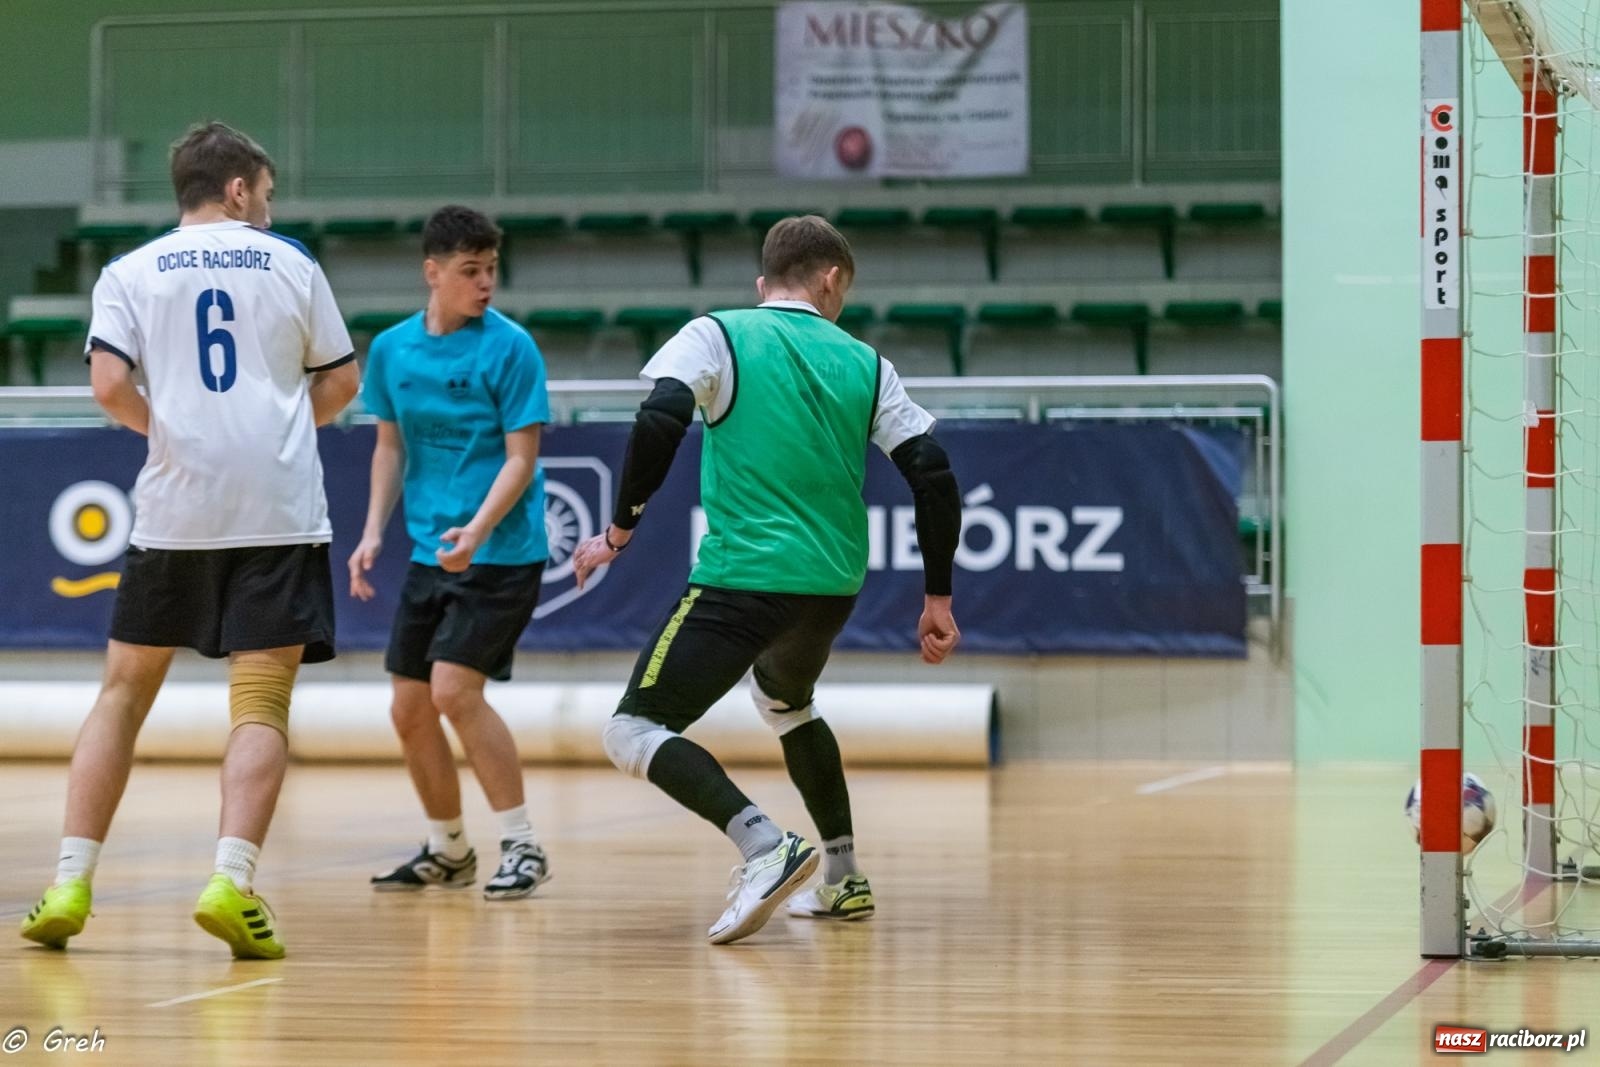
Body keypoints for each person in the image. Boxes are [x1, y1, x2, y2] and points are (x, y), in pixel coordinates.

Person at [571, 215, 962, 945]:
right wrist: (937, 597)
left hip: (744, 576)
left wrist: (619, 532)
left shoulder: (718, 333)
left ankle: (764, 845)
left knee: (632, 729)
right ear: (831, 280)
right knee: (787, 703)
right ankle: (843, 876)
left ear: (763, 283)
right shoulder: (868, 362)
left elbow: (659, 417)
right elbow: (933, 474)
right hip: (832, 587)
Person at [19, 122, 360, 959]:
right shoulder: (292, 263)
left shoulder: (129, 271)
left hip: (175, 511)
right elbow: (342, 380)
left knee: (121, 696)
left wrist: (169, 433)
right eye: (265, 195)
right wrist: (279, 433)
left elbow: (108, 385)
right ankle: (230, 880)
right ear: (238, 189)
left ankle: (68, 881)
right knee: (261, 704)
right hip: (277, 511)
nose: (268, 210)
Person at [350, 205, 552, 901]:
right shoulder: (392, 350)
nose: (486, 283)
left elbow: (522, 459)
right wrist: (373, 530)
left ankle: (523, 845)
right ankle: (449, 848)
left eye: (492, 268)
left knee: (453, 691)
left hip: (503, 552)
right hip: (430, 551)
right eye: (471, 270)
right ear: (432, 272)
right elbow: (389, 446)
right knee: (409, 708)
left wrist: (477, 530)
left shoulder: (511, 348)